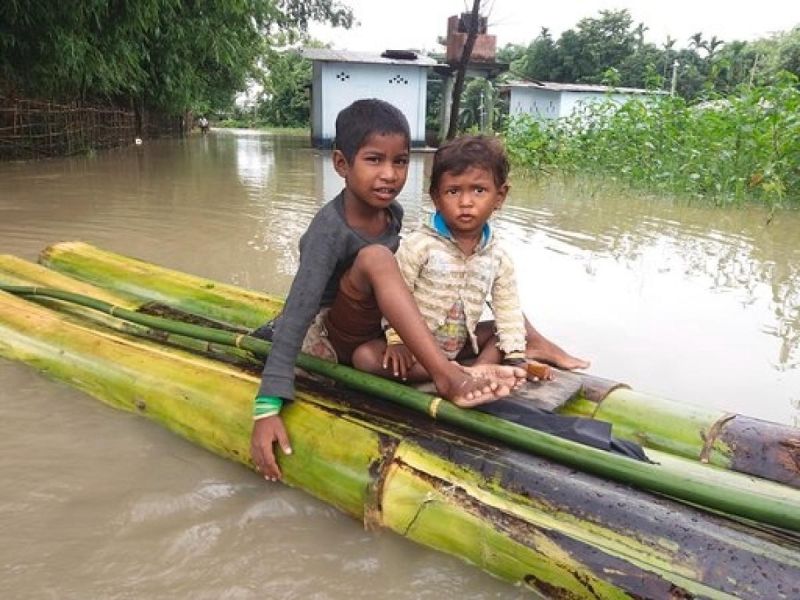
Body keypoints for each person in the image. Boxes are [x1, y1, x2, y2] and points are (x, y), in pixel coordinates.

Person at [250, 100, 526, 481]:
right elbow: (298, 309)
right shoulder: (328, 230)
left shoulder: (391, 213)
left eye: (400, 162)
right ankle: (447, 375)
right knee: (378, 258)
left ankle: (505, 356)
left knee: (482, 283)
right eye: (374, 160)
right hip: (334, 334)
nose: (390, 175)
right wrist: (267, 408)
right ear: (342, 164)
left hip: (376, 329)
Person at [351, 135, 587, 383]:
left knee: (504, 328)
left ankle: (482, 367)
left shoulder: (498, 257)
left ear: (500, 196)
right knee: (365, 357)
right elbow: (396, 296)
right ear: (436, 198)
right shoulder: (420, 245)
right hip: (417, 348)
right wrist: (396, 340)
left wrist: (515, 356)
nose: (465, 203)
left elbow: (507, 308)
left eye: (479, 190)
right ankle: (462, 371)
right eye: (453, 191)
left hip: (461, 344)